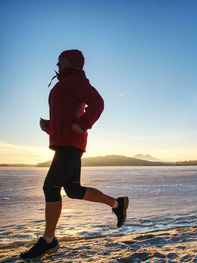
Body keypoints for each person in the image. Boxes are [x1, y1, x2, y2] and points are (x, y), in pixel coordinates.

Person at [20, 50, 129, 260]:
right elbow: (66, 114)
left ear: (71, 62)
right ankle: (117, 204)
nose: (57, 63)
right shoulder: (66, 83)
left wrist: (84, 124)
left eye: (61, 60)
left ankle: (48, 241)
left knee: (50, 187)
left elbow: (97, 102)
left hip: (70, 144)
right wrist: (50, 127)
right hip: (64, 143)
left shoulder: (75, 81)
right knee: (73, 190)